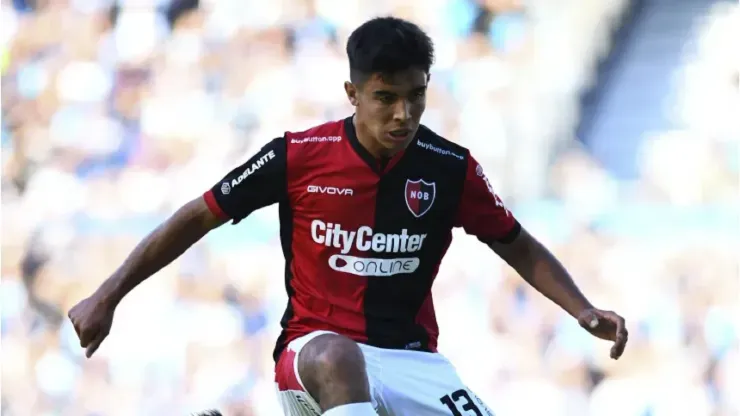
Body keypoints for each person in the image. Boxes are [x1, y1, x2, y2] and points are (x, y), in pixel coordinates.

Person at [68, 16, 629, 416]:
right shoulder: (296, 156)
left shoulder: (449, 168)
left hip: (413, 363)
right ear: (353, 93)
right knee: (336, 354)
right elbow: (197, 216)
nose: (403, 114)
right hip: (315, 355)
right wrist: (108, 295)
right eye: (385, 97)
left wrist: (581, 309)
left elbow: (516, 242)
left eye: (416, 96)